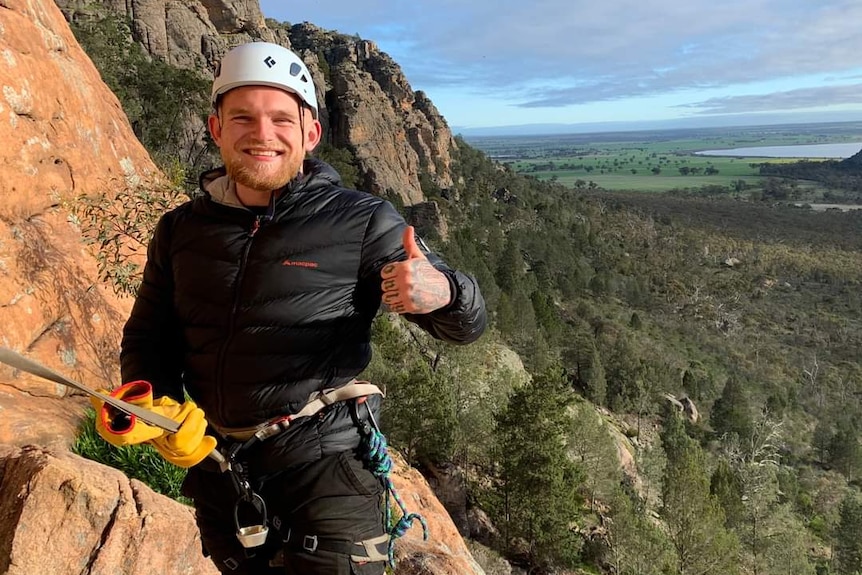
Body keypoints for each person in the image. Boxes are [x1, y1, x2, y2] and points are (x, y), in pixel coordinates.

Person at [92, 41, 486, 575]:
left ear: (310, 134)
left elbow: (466, 325)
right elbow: (148, 338)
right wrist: (152, 406)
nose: (262, 133)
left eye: (282, 119)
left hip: (325, 464)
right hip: (218, 467)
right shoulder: (181, 230)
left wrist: (446, 293)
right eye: (243, 118)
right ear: (217, 130)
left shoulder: (362, 221)